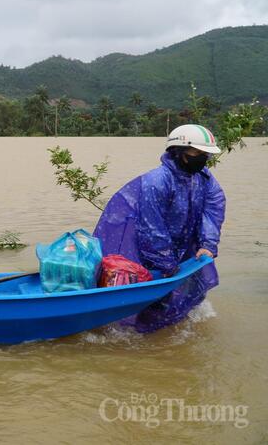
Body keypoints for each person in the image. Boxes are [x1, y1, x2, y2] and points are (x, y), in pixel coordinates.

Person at [94, 124, 226, 332]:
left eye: (205, 154)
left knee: (185, 296)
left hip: (182, 242)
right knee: (149, 291)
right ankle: (141, 334)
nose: (202, 158)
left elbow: (213, 209)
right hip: (146, 246)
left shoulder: (204, 179)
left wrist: (208, 244)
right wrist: (165, 262)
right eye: (197, 153)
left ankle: (166, 333)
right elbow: (151, 227)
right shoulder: (157, 181)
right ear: (180, 152)